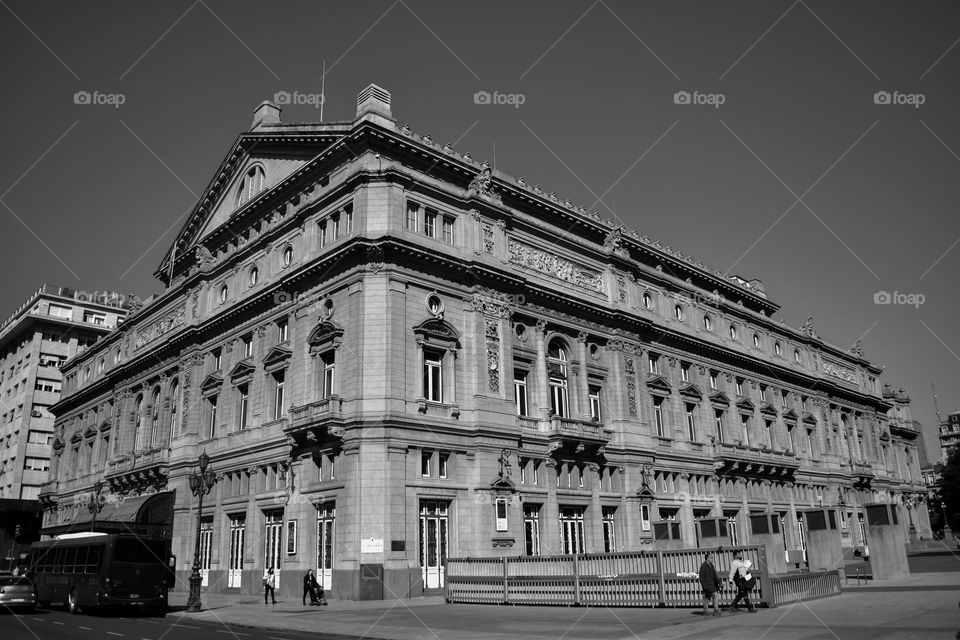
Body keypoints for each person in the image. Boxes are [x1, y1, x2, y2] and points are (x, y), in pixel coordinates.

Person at [698, 551, 722, 616]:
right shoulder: (703, 566)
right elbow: (701, 577)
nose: (712, 559)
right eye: (711, 558)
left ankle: (706, 610)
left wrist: (719, 583)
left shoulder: (711, 565)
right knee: (714, 596)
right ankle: (715, 610)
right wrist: (704, 586)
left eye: (712, 557)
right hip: (708, 585)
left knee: (707, 598)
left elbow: (715, 575)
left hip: (712, 585)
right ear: (707, 558)